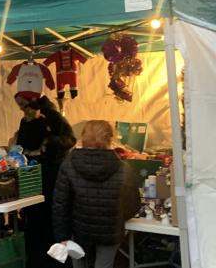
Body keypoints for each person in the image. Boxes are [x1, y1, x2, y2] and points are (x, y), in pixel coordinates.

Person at [54, 120, 141, 268]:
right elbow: (133, 204)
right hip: (110, 230)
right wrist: (117, 217)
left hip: (78, 230)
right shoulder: (123, 167)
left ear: (83, 137)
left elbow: (60, 205)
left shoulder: (68, 164)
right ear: (110, 139)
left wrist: (62, 236)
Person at [11, 92, 76, 268]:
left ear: (32, 101)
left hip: (51, 175)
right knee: (33, 217)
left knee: (50, 217)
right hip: (32, 175)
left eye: (23, 104)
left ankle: (53, 260)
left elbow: (70, 139)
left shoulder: (53, 117)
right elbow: (23, 143)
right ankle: (35, 258)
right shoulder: (25, 120)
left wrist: (49, 141)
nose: (21, 108)